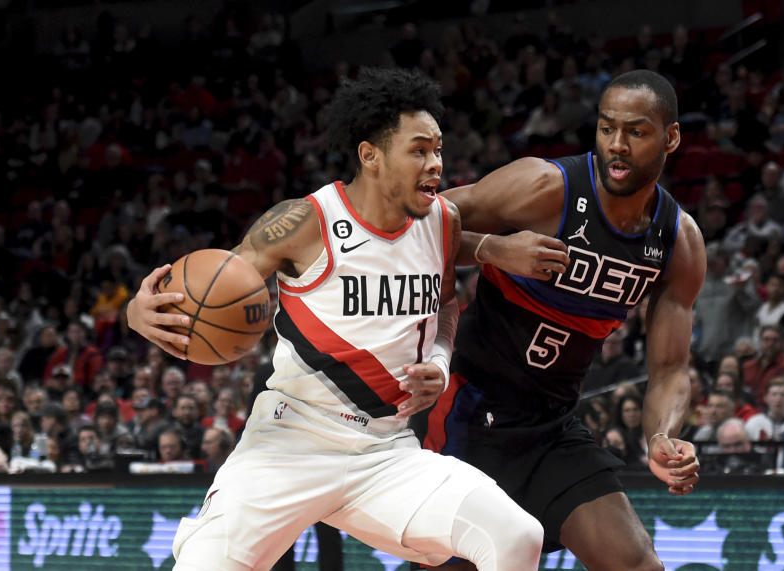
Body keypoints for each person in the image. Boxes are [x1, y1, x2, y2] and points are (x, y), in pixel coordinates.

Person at [126, 68, 543, 571]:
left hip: (385, 451)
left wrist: (438, 356)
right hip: (290, 442)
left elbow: (447, 306)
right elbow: (218, 286)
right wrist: (137, 310)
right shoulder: (305, 221)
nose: (435, 164)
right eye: (418, 151)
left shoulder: (444, 222)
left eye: (437, 150)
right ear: (370, 155)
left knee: (517, 535)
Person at [427, 69, 703, 569]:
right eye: (606, 128)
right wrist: (494, 249)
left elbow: (669, 369)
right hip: (470, 410)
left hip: (550, 425)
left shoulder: (677, 241)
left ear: (671, 137)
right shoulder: (545, 186)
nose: (617, 145)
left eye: (636, 132)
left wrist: (661, 437)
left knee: (639, 564)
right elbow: (411, 231)